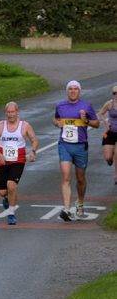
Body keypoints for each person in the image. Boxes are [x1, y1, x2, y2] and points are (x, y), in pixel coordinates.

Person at [53, 80, 99, 222]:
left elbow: (96, 123)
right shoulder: (60, 106)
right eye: (70, 89)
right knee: (66, 177)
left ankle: (80, 201)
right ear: (67, 91)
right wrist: (57, 123)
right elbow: (56, 118)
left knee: (80, 178)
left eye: (75, 89)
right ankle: (66, 209)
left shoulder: (86, 106)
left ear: (79, 91)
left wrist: (86, 121)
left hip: (80, 146)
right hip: (64, 145)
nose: (73, 91)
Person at [0, 102, 38, 225]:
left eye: (12, 112)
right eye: (8, 112)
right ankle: (7, 197)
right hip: (3, 161)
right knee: (3, 192)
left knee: (11, 185)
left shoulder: (24, 126)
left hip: (18, 160)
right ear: (6, 113)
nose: (10, 115)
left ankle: (11, 214)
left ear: (17, 112)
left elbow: (34, 140)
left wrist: (33, 151)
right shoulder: (1, 126)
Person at [97, 83, 117, 185]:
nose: (116, 94)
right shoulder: (109, 104)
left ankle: (116, 176)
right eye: (114, 93)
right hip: (110, 132)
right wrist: (106, 123)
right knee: (108, 158)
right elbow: (100, 114)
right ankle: (111, 157)